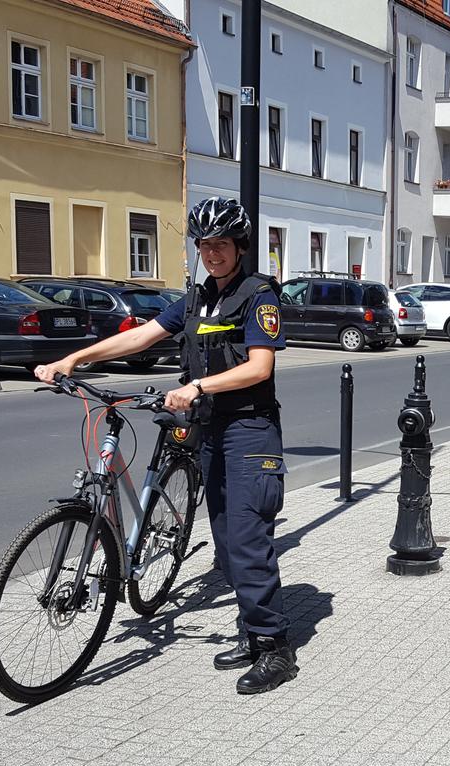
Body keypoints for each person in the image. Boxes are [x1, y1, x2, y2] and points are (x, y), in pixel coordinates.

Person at [35, 197, 297, 696]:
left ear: (239, 247)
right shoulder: (197, 300)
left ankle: (275, 647)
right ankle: (251, 629)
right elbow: (140, 338)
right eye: (204, 245)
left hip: (250, 431)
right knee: (225, 541)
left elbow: (260, 367)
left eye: (221, 244)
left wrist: (199, 386)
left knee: (246, 539)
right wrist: (75, 358)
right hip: (210, 431)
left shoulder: (259, 296)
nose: (212, 253)